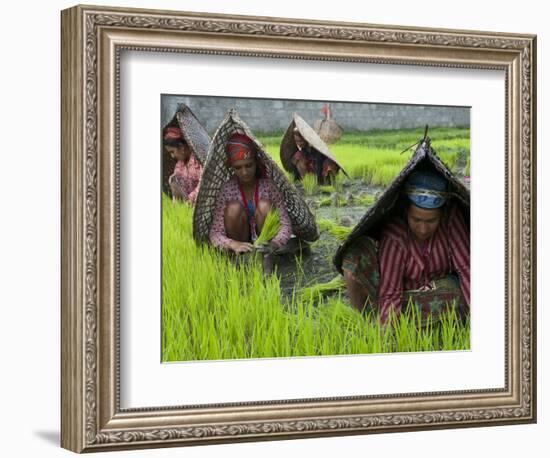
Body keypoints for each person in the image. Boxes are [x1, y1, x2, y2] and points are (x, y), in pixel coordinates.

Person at [341, 170, 470, 324]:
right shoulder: (395, 233)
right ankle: (370, 320)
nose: (423, 229)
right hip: (404, 296)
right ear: (406, 212)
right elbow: (391, 292)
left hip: (440, 292)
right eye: (416, 220)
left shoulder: (451, 219)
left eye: (431, 221)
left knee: (455, 293)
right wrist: (387, 337)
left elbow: (466, 268)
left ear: (442, 216)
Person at [209, 133, 293, 254]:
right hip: (240, 240)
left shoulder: (268, 187)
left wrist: (274, 244)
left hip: (267, 242)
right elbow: (215, 232)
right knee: (233, 208)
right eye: (238, 167)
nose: (244, 172)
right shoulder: (227, 190)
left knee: (264, 205)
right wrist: (233, 244)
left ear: (256, 163)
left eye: (248, 165)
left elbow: (285, 224)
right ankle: (241, 255)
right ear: (232, 167)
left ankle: (266, 255)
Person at [163, 126, 203, 204]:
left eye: (172, 152)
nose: (172, 156)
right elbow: (176, 186)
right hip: (186, 204)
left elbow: (203, 184)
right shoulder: (179, 165)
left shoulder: (198, 160)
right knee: (173, 179)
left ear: (181, 147)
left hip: (199, 201)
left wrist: (190, 199)